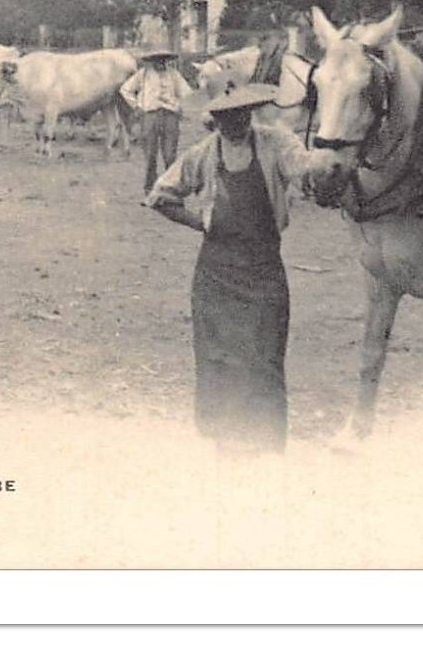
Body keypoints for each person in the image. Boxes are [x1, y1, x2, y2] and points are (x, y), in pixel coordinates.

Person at [145, 82, 319, 453]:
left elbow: (305, 169)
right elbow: (160, 196)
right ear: (216, 120)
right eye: (225, 119)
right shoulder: (204, 154)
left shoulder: (275, 143)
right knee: (219, 357)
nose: (234, 125)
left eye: (240, 117)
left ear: (250, 115)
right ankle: (225, 442)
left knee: (265, 355)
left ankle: (267, 446)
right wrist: (200, 222)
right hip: (216, 271)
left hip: (263, 266)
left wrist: (322, 155)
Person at [121, 46, 193, 193]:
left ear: (167, 61)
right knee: (150, 155)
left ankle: (170, 187)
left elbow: (187, 93)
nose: (160, 63)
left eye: (163, 60)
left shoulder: (174, 75)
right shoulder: (143, 74)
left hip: (170, 117)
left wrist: (178, 106)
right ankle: (150, 188)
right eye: (156, 60)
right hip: (150, 116)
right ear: (151, 61)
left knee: (170, 155)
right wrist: (137, 106)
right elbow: (125, 89)